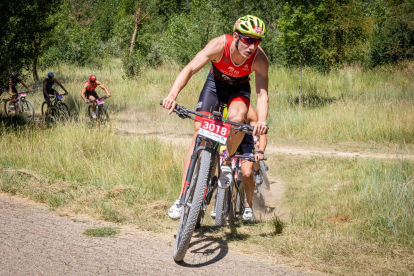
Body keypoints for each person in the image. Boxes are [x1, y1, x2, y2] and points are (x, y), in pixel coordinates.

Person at [162, 15, 269, 220]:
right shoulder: (220, 45)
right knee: (198, 132)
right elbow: (190, 68)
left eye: (257, 41)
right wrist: (172, 95)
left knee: (238, 119)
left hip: (238, 90)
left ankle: (226, 159)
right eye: (247, 39)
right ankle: (182, 197)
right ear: (236, 36)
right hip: (214, 86)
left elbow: (262, 93)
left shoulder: (260, 58)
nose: (252, 46)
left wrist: (262, 121)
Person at [211, 105, 267, 221]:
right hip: (227, 140)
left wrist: (260, 151)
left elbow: (261, 134)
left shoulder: (250, 112)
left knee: (246, 173)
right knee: (218, 169)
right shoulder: (222, 107)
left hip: (245, 143)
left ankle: (248, 206)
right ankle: (218, 202)